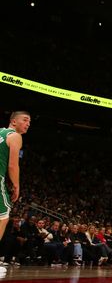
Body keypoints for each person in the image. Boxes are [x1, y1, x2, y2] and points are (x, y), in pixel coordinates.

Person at [0, 112, 30, 274]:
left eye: (30, 122)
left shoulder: (0, 132)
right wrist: (16, 185)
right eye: (25, 120)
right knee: (3, 217)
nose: (28, 124)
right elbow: (13, 165)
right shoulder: (15, 136)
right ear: (13, 121)